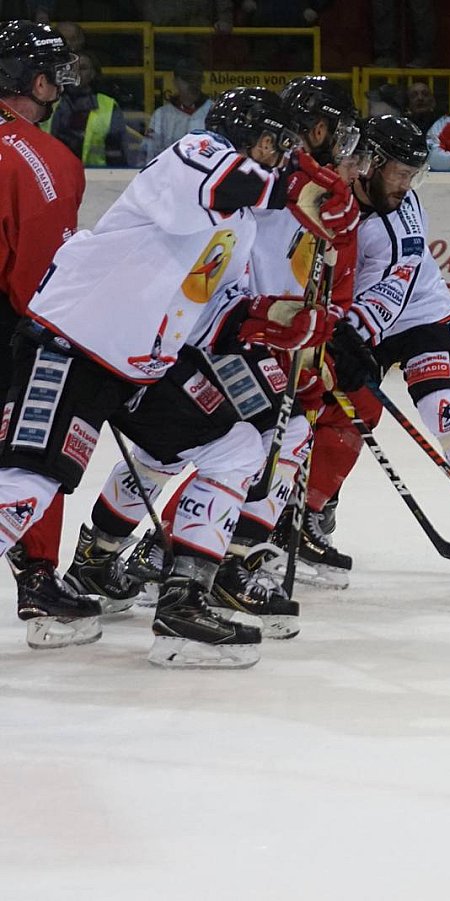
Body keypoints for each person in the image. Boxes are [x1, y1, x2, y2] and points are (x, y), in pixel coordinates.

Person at [3, 86, 352, 667]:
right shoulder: (196, 153)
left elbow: (208, 310)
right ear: (250, 135)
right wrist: (298, 188)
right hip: (74, 345)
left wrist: (273, 319)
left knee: (235, 449)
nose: (283, 156)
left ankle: (182, 608)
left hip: (142, 367)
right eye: (276, 144)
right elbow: (223, 186)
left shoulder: (241, 225)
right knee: (27, 486)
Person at [319, 115, 450, 566]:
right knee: (333, 415)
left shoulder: (400, 218)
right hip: (355, 322)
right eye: (400, 173)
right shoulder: (334, 192)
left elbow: (395, 289)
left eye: (414, 175)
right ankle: (319, 506)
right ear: (371, 163)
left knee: (449, 412)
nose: (407, 185)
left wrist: (348, 337)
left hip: (421, 319)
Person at [0, 19, 99, 649]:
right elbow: (38, 278)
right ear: (36, 82)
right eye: (55, 74)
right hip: (11, 324)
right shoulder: (47, 159)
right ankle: (37, 578)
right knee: (41, 439)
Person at [47, 49, 124, 166]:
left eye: (83, 68)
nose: (76, 73)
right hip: (52, 170)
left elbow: (117, 152)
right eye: (71, 68)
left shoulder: (108, 105)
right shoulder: (49, 101)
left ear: (93, 74)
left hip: (96, 173)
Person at [140, 60, 210, 164]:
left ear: (203, 80)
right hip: (170, 171)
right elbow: (150, 155)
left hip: (206, 171)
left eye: (197, 79)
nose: (193, 84)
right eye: (187, 79)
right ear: (176, 82)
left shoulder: (214, 111)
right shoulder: (161, 115)